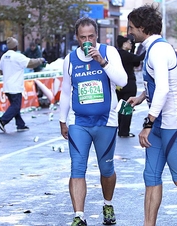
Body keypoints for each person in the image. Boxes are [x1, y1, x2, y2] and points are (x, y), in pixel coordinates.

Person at [126, 5, 177, 226]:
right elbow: (159, 84)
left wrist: (147, 123)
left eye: (132, 27)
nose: (129, 32)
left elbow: (164, 89)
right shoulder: (151, 48)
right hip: (159, 124)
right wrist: (142, 97)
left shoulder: (159, 50)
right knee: (151, 177)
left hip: (173, 122)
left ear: (143, 28)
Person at [59, 17, 127, 226]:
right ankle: (79, 216)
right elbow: (65, 92)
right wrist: (63, 120)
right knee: (77, 169)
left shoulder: (109, 52)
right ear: (77, 38)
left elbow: (122, 81)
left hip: (106, 121)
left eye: (91, 36)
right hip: (79, 122)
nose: (87, 40)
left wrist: (102, 62)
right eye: (83, 37)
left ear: (97, 35)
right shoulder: (70, 60)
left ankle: (107, 204)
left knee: (106, 170)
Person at [0, 37, 45, 133]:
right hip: (15, 86)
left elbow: (0, 69)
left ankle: (20, 124)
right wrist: (40, 60)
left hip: (7, 85)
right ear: (15, 46)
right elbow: (30, 63)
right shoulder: (17, 56)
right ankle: (2, 120)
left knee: (14, 106)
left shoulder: (4, 56)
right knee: (16, 106)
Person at [115, 35, 145, 138]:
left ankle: (121, 130)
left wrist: (132, 48)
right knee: (128, 108)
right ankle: (125, 131)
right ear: (124, 44)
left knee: (121, 107)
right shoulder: (125, 54)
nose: (131, 44)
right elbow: (139, 58)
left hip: (118, 85)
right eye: (129, 42)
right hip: (129, 83)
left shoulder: (117, 54)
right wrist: (149, 48)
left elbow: (135, 63)